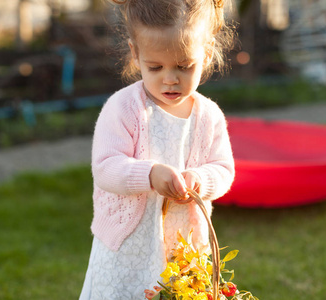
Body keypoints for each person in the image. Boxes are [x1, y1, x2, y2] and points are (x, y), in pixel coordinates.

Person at [80, 0, 235, 298]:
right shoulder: (125, 108)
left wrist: (200, 179)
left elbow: (223, 169)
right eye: (155, 67)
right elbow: (105, 167)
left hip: (182, 246)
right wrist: (149, 174)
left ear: (206, 50)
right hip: (127, 247)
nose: (170, 78)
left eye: (184, 66)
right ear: (136, 54)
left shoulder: (208, 116)